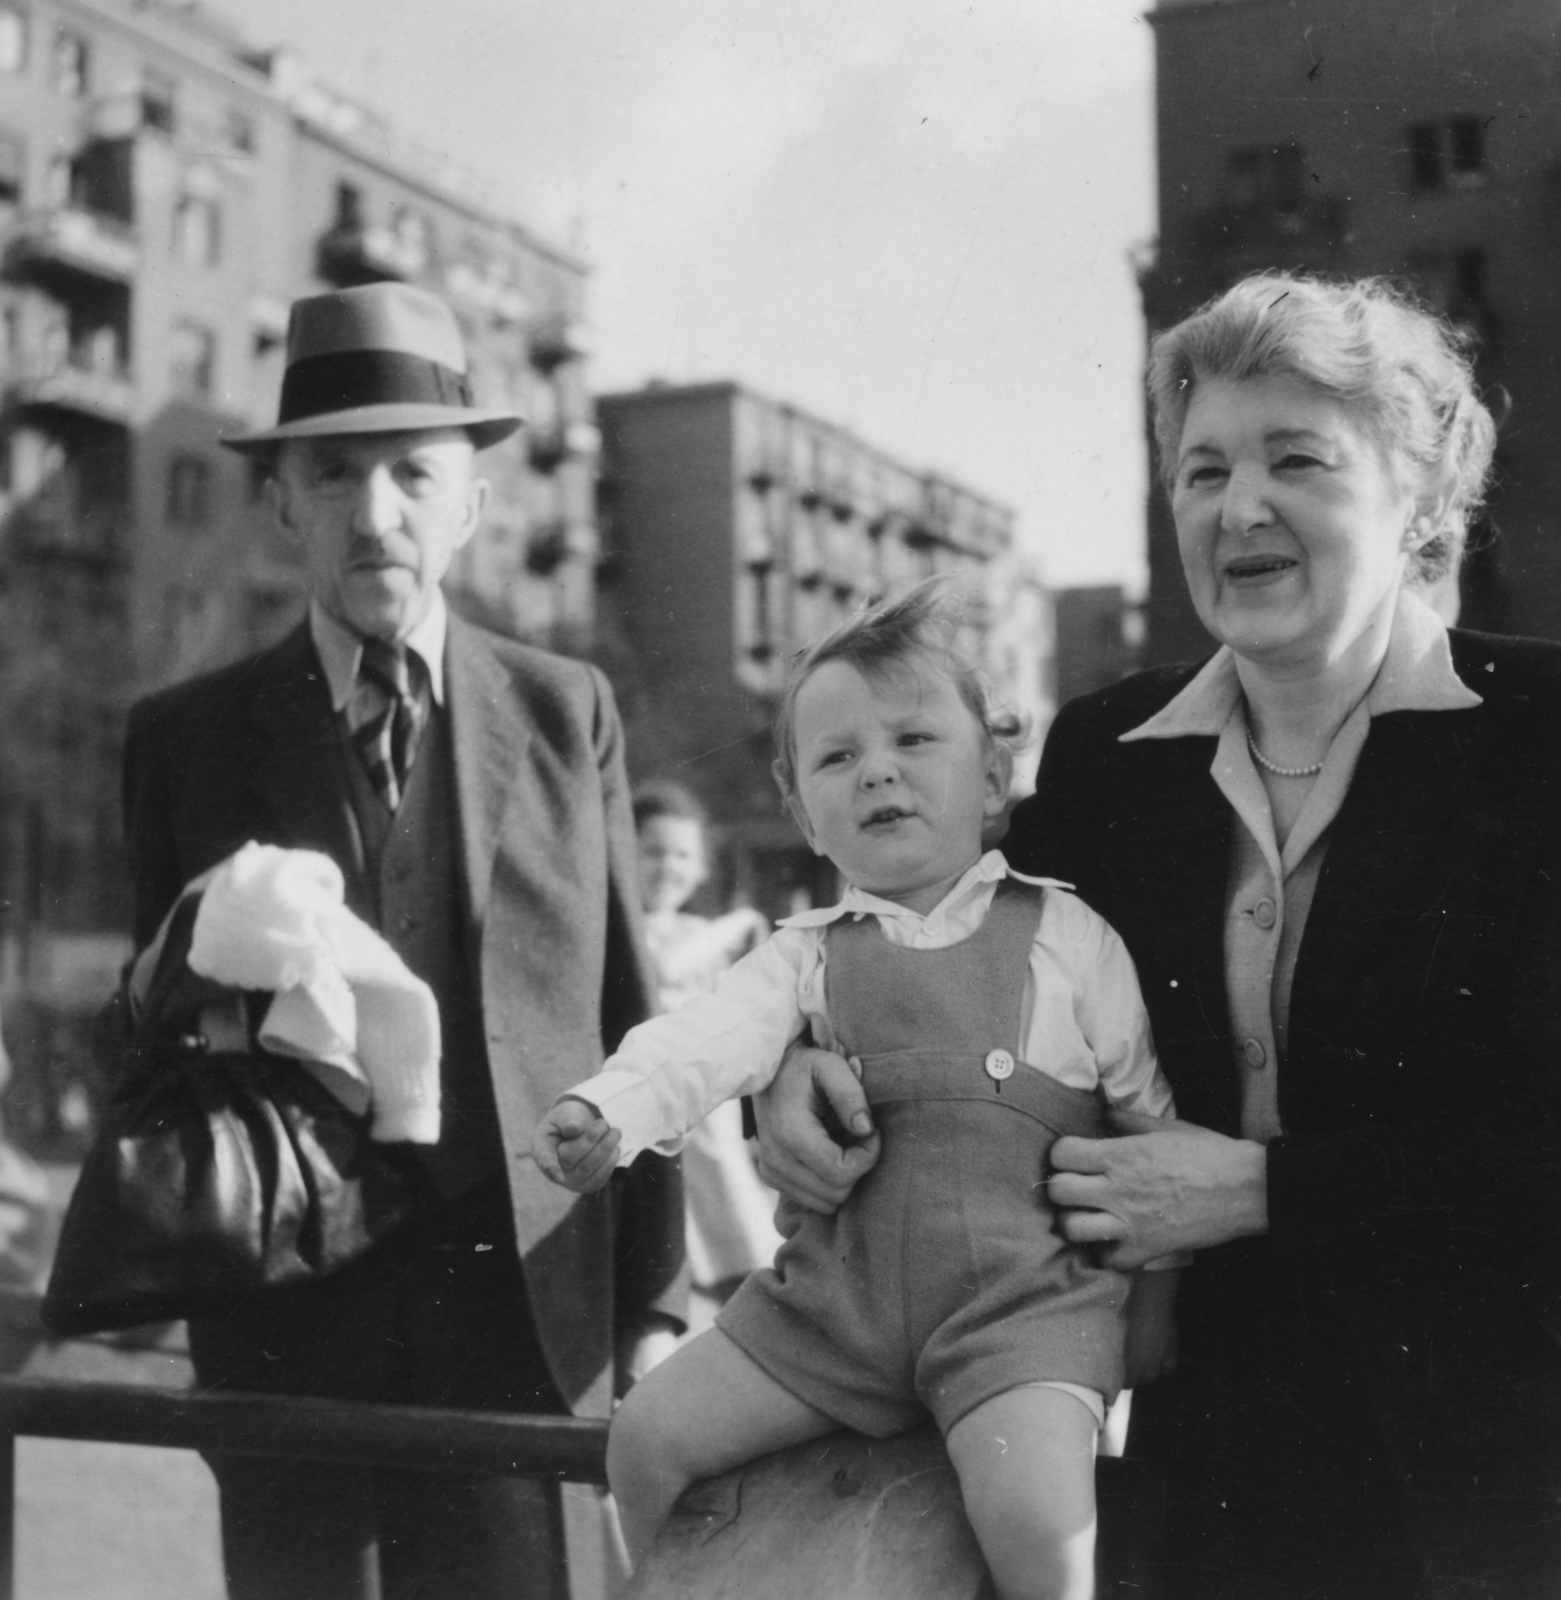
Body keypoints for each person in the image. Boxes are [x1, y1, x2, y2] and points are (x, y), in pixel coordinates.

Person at [754, 274, 1561, 1599]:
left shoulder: (1537, 732)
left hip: (1490, 1483)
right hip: (1198, 1485)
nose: (1238, 507)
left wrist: (1264, 1191)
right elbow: (942, 972)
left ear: (1416, 498)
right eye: (1201, 471)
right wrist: (808, 1067)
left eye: (1296, 459)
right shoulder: (1106, 758)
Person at [120, 282, 684, 1600]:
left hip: (518, 1317)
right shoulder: (185, 737)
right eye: (333, 474)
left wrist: (652, 1307)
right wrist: (186, 961)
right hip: (283, 1326)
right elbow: (139, 1035)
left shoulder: (563, 711)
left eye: (412, 474)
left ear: (473, 503)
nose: (375, 513)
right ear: (281, 503)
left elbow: (625, 1013)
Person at [535, 584, 1183, 1600]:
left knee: (1038, 1524)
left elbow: (1148, 1124)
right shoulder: (803, 956)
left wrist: (1153, 1298)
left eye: (915, 738)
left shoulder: (1069, 938)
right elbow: (700, 1040)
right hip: (832, 1311)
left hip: (1017, 1317)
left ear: (995, 775)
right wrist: (608, 1111)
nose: (877, 767)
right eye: (837, 757)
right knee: (647, 1436)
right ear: (802, 811)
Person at [632, 782, 781, 1321]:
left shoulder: (697, 931)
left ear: (700, 870)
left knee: (734, 1230)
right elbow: (663, 973)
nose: (668, 866)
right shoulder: (632, 930)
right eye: (653, 851)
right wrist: (735, 924)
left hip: (706, 1116)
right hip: (650, 1109)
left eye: (683, 855)